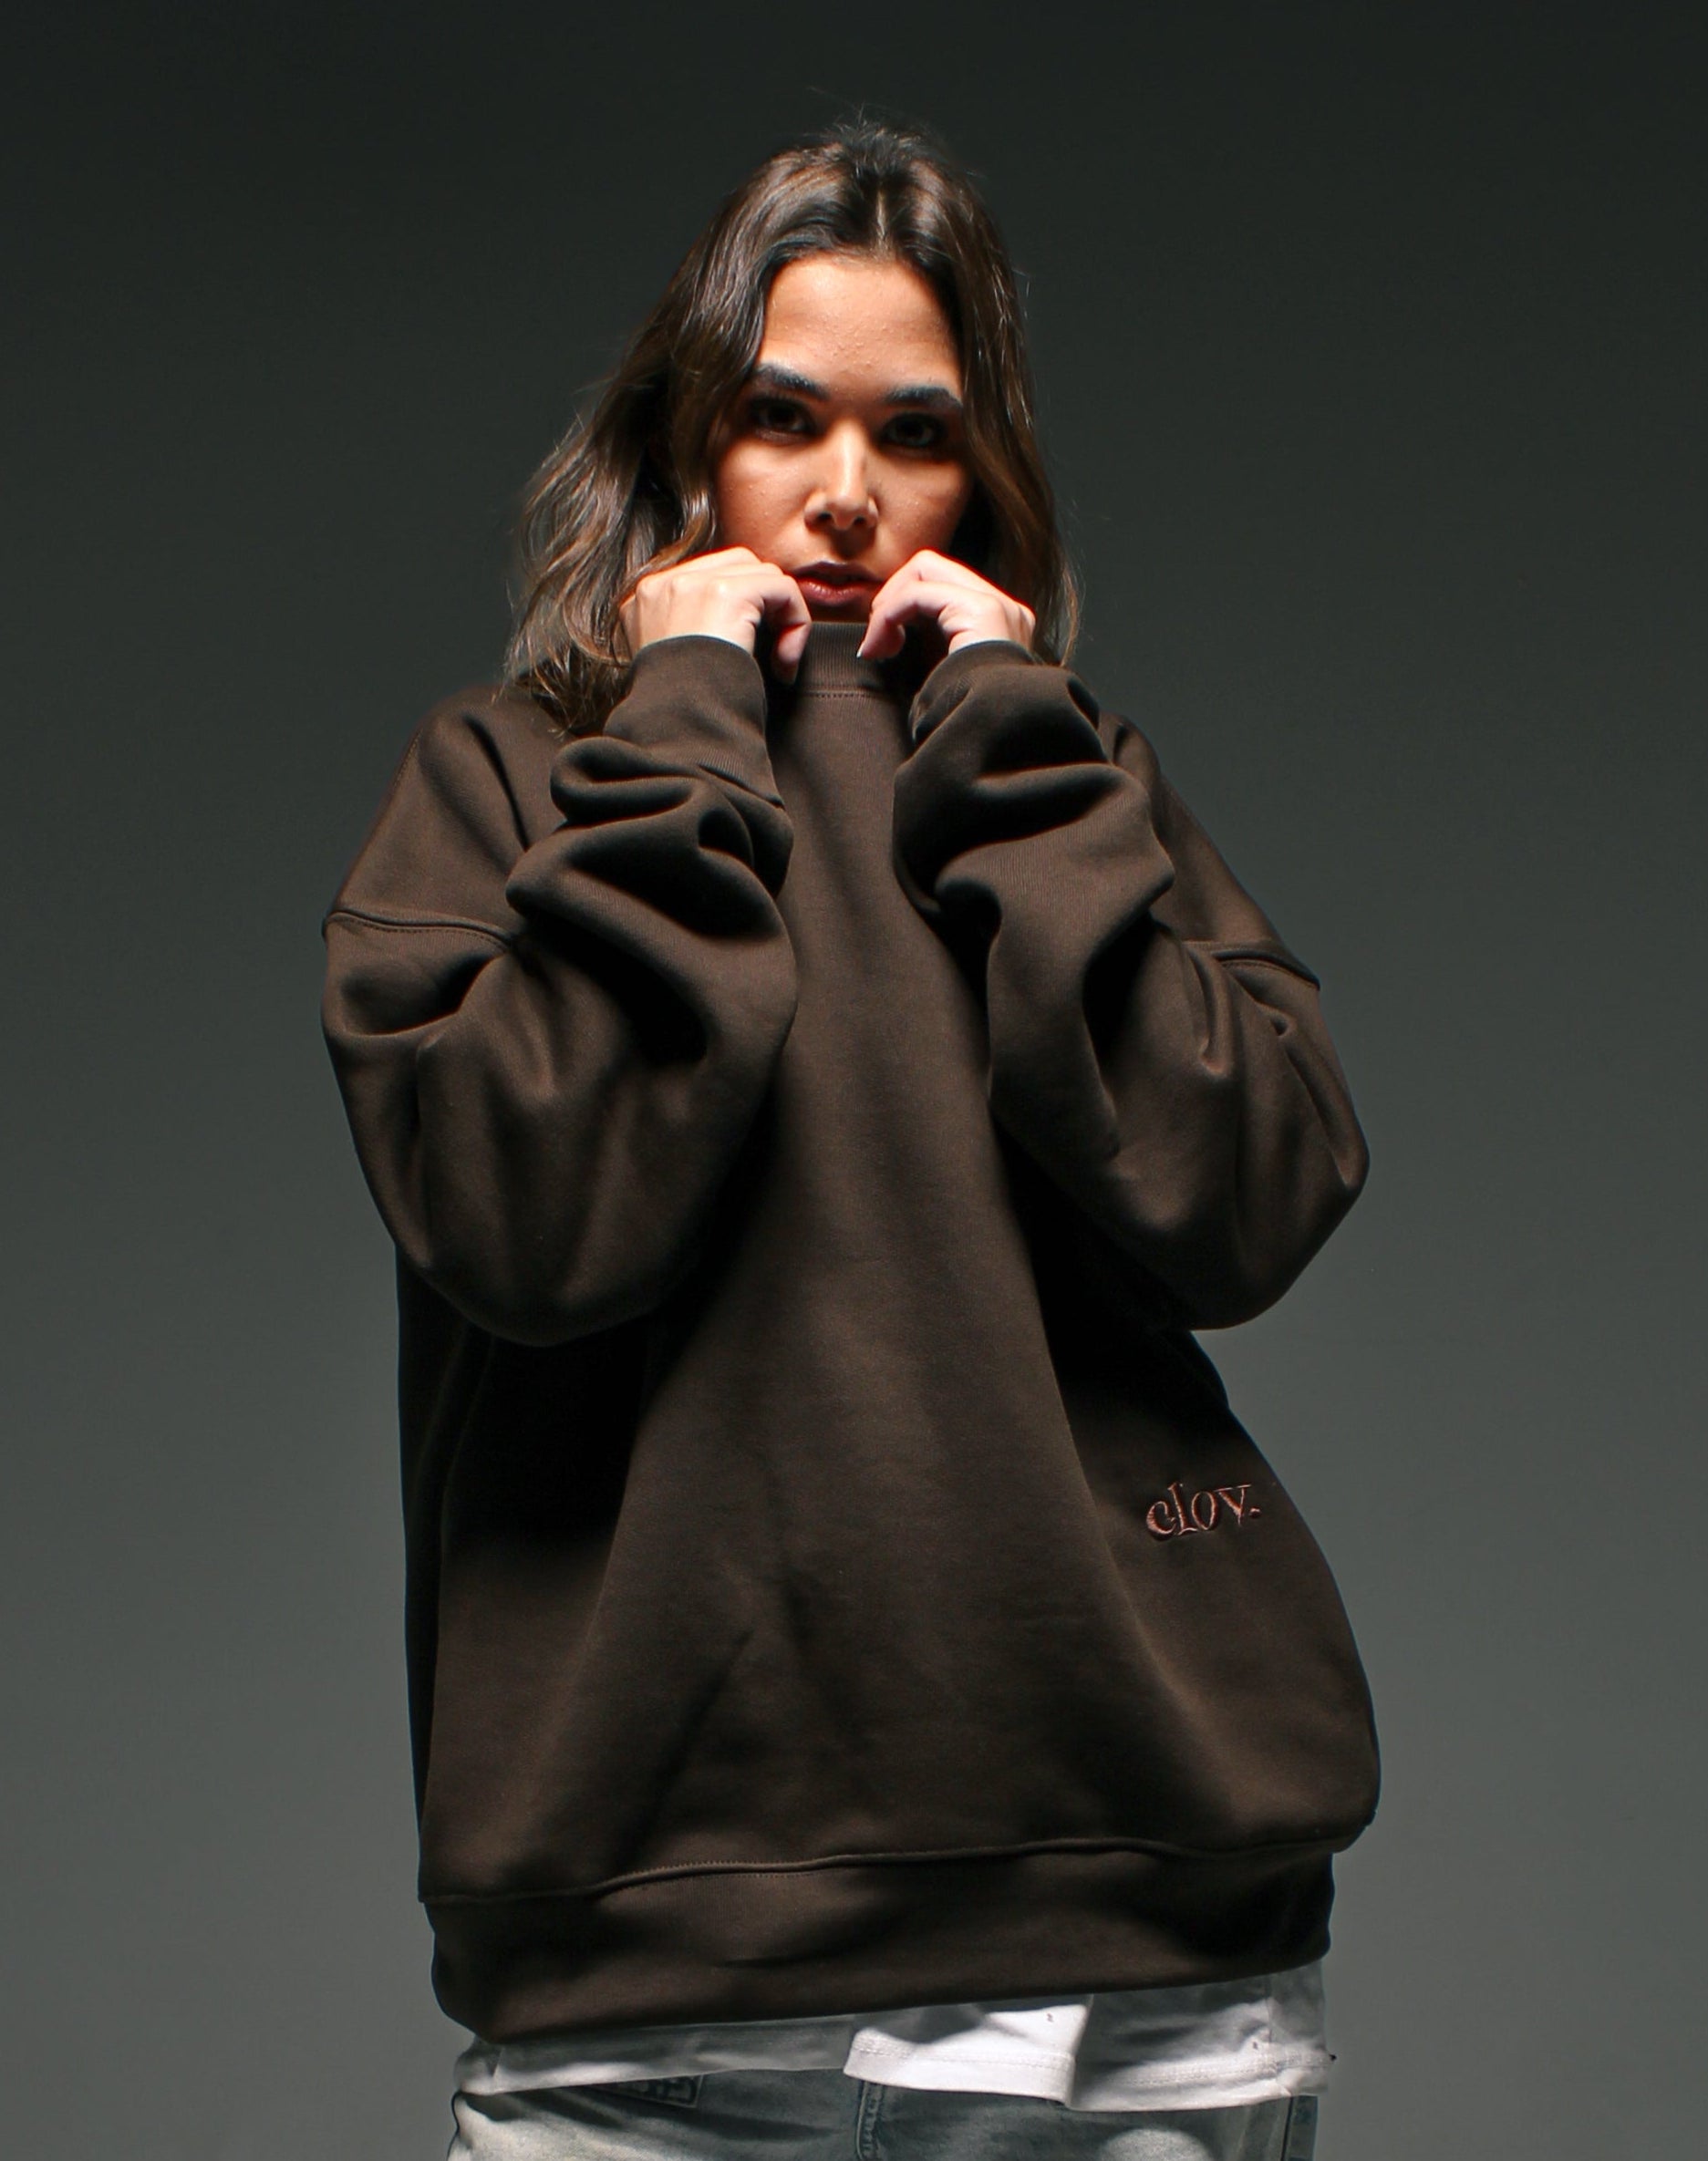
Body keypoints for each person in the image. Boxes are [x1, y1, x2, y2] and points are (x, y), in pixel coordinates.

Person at [322, 119, 1376, 2161]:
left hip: (1127, 1955)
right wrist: (686, 713)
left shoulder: (1060, 771)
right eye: (779, 416)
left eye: (916, 433)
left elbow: (1246, 1200)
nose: (844, 493)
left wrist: (1015, 748)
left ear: (983, 478)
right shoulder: (510, 783)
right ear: (680, 441)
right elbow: (528, 1219)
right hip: (648, 1968)